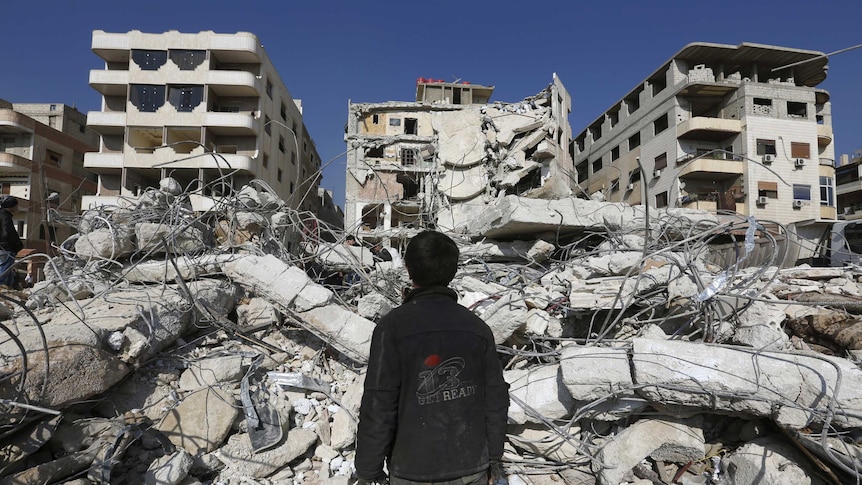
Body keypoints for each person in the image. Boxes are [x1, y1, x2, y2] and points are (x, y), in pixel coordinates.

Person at [355, 231, 510, 485]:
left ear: (408, 269)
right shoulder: (477, 329)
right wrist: (494, 460)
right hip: (471, 468)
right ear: (452, 271)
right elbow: (495, 400)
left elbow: (379, 405)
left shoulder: (392, 328)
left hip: (412, 471)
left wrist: (367, 471)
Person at [0, 196, 22, 288]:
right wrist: (17, 245)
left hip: (3, 248)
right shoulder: (5, 216)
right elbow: (8, 232)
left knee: (7, 272)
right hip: (6, 248)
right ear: (11, 206)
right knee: (4, 272)